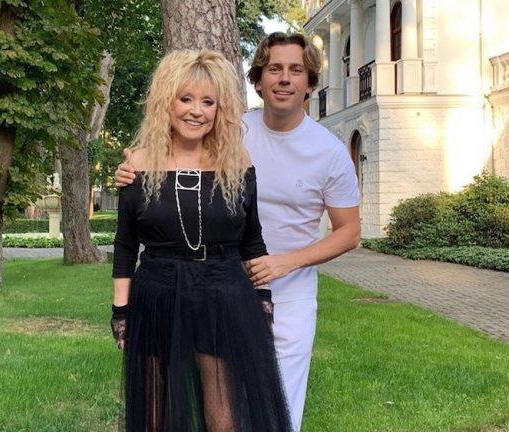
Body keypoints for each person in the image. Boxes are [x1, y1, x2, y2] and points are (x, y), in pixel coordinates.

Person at [114, 32, 361, 432]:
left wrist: (282, 266)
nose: (284, 79)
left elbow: (349, 232)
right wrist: (134, 167)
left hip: (284, 288)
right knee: (199, 406)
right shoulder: (234, 129)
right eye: (274, 69)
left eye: (296, 70)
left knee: (274, 406)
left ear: (310, 84)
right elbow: (170, 157)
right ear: (258, 81)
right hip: (215, 283)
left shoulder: (329, 150)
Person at [111, 48, 292, 432]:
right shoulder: (137, 165)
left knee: (223, 417)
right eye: (186, 99)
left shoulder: (237, 162)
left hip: (223, 294)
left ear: (219, 109)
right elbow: (126, 247)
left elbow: (252, 240)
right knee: (154, 415)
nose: (196, 111)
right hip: (157, 295)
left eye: (208, 102)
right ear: (166, 102)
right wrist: (121, 312)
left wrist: (263, 298)